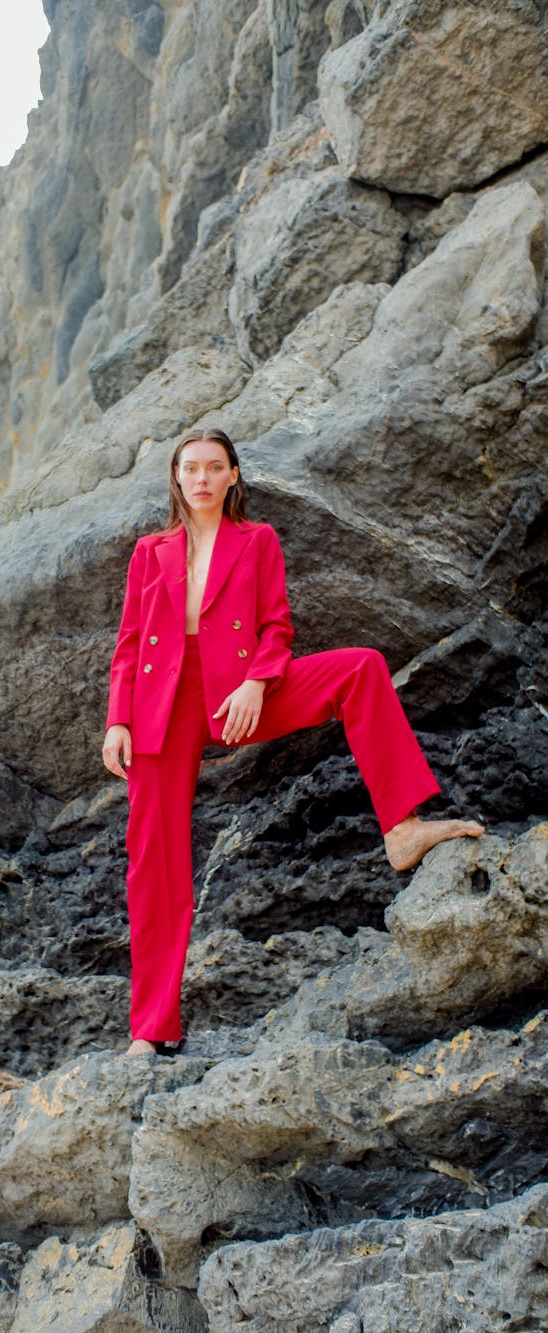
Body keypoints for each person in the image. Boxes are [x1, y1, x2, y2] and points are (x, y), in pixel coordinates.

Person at [102, 428, 484, 1057]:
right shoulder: (151, 551)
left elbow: (276, 625)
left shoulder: (258, 540)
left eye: (213, 467)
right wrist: (118, 721)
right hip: (158, 708)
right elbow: (128, 641)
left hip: (239, 693)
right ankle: (152, 1030)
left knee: (359, 668)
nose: (200, 478)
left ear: (232, 477)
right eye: (189, 468)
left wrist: (256, 682)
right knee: (154, 865)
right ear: (175, 478)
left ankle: (403, 826)